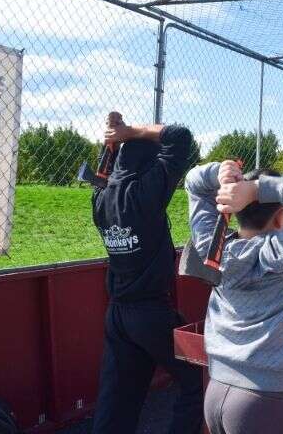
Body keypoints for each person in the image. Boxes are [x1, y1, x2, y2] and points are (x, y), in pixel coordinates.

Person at [184, 160, 283, 434]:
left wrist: (219, 174)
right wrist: (258, 190)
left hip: (216, 391)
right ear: (281, 217)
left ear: (236, 212)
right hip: (264, 401)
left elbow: (194, 183)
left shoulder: (214, 249)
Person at [91, 114, 203, 434]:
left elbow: (104, 174)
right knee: (197, 380)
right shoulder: (146, 194)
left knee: (117, 399)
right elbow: (180, 136)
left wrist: (114, 140)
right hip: (150, 314)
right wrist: (128, 132)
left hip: (117, 315)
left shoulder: (100, 198)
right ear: (148, 166)